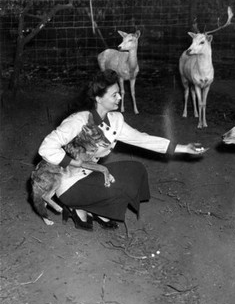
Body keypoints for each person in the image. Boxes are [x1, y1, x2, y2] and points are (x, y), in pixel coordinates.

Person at [38, 69, 206, 231]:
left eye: (119, 93)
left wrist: (184, 148)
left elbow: (142, 139)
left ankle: (96, 209)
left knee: (135, 171)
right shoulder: (77, 120)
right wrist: (74, 161)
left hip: (89, 173)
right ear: (98, 98)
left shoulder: (115, 120)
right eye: (114, 94)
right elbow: (46, 147)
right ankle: (76, 207)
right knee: (118, 187)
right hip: (67, 182)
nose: (120, 97)